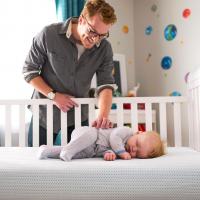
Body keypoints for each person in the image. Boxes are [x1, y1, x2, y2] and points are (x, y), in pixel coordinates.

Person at [22, 0, 117, 146]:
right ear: (81, 20)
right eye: (92, 31)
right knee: (37, 160)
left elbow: (106, 84)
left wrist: (103, 115)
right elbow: (29, 71)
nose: (95, 39)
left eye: (102, 35)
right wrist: (53, 95)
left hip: (78, 113)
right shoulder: (49, 34)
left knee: (78, 160)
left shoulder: (104, 48)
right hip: (45, 111)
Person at [37, 126, 165, 161]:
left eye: (137, 153)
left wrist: (110, 154)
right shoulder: (126, 132)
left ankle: (46, 151)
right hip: (89, 134)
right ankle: (68, 151)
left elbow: (107, 149)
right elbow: (114, 137)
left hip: (91, 150)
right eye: (137, 143)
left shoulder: (121, 151)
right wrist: (121, 152)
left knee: (79, 154)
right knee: (89, 136)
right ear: (138, 132)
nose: (133, 149)